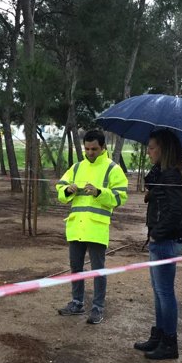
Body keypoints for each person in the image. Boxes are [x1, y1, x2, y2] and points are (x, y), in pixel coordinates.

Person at [55, 129, 128, 325]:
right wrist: (67, 190)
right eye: (87, 148)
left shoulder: (113, 169)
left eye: (94, 149)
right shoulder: (77, 167)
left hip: (96, 227)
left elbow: (120, 197)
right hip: (76, 227)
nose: (90, 152)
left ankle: (97, 308)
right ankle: (77, 303)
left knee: (98, 270)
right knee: (76, 267)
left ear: (103, 147)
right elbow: (60, 190)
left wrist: (99, 192)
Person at [134, 129, 182, 360]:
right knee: (159, 292)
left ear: (163, 149)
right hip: (161, 239)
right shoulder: (164, 172)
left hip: (166, 241)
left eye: (152, 148)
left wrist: (157, 233)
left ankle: (169, 342)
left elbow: (177, 212)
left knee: (165, 292)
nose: (148, 152)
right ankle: (159, 335)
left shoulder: (173, 175)